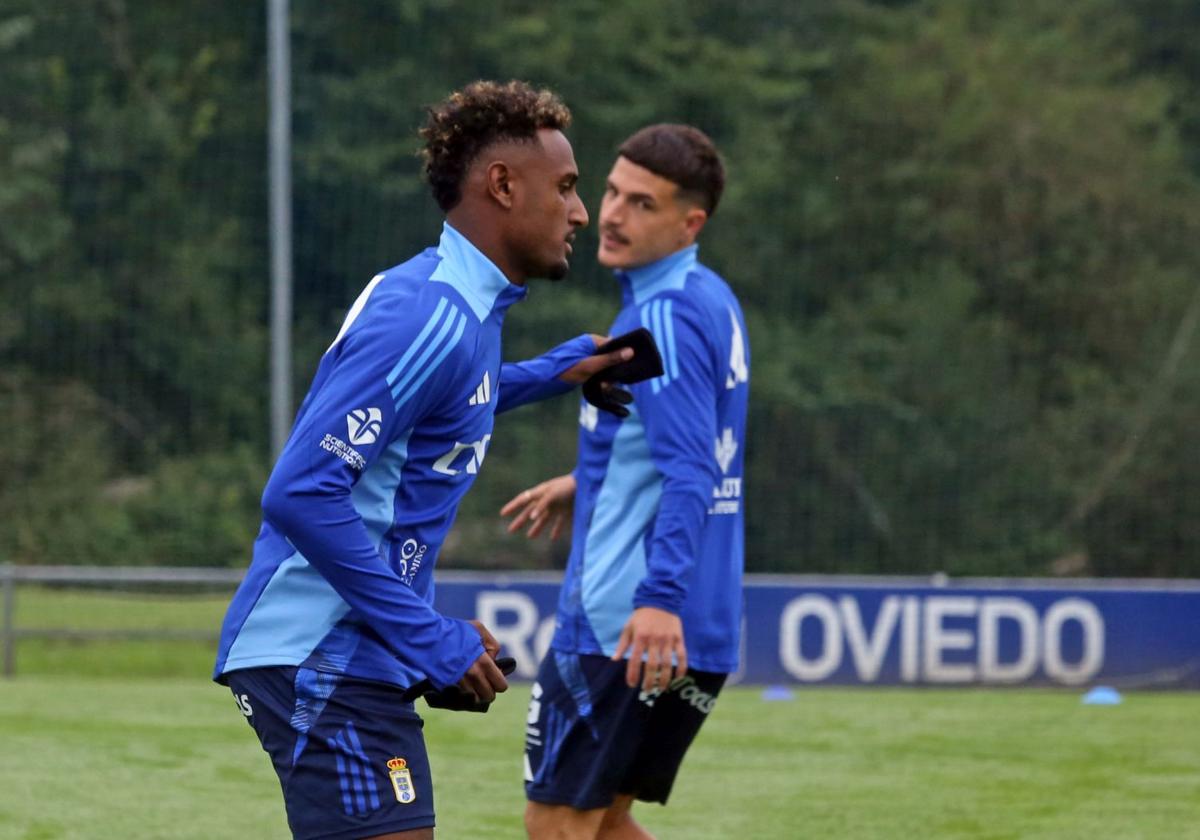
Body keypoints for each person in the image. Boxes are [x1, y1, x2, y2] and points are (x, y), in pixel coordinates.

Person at [213, 80, 634, 840]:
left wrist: (558, 371)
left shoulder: (460, 309)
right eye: (567, 188)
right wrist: (428, 638)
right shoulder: (429, 315)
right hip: (317, 652)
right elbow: (301, 494)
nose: (579, 213)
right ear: (502, 185)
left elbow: (448, 402)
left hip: (357, 651)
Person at [501, 124, 750, 840]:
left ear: (689, 221)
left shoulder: (660, 319)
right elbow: (694, 442)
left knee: (555, 824)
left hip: (630, 620)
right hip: (695, 626)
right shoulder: (709, 297)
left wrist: (657, 598)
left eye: (641, 203)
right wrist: (589, 481)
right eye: (610, 192)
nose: (609, 214)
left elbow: (693, 466)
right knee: (605, 826)